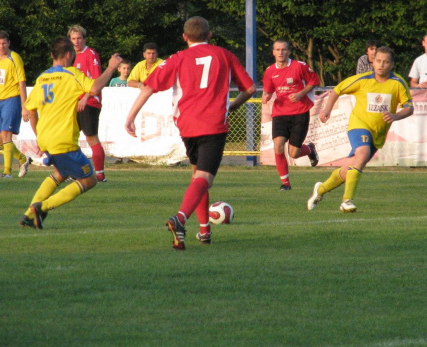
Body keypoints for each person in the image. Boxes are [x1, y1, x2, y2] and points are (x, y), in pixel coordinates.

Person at [124, 16, 255, 250]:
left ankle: (204, 231)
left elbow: (148, 87)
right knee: (205, 179)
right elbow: (250, 88)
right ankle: (181, 218)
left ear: (185, 37)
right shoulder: (224, 55)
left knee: (198, 177)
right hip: (213, 124)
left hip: (187, 125)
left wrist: (131, 116)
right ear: (210, 35)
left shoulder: (177, 58)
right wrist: (233, 104)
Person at [18, 37, 122, 229]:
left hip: (46, 138)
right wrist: (110, 68)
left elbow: (30, 110)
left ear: (51, 55)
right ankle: (41, 208)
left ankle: (28, 214)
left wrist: (40, 136)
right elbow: (94, 88)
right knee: (89, 180)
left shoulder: (42, 78)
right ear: (69, 55)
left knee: (60, 174)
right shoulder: (71, 74)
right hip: (63, 139)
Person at [307, 46, 414, 213]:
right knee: (362, 154)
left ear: (392, 64)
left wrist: (395, 116)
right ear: (373, 62)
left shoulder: (398, 83)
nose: (381, 65)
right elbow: (337, 90)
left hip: (377, 134)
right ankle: (346, 201)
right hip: (359, 125)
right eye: (378, 61)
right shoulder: (362, 79)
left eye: (385, 62)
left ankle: (320, 190)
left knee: (348, 170)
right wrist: (327, 109)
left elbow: (409, 108)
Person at [262, 39, 321, 191]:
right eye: (277, 50)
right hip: (280, 113)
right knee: (278, 144)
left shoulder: (299, 66)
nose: (280, 52)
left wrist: (301, 94)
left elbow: (314, 81)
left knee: (293, 153)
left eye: (283, 50)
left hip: (300, 112)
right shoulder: (269, 71)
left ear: (288, 52)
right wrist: (267, 96)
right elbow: (268, 90)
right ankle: (285, 183)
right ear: (273, 52)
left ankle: (309, 150)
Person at [0, 30, 31, 179]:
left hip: (12, 99)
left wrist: (24, 106)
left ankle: (7, 172)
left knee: (6, 134)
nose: (1, 46)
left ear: (9, 43)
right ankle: (23, 159)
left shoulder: (14, 58)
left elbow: (22, 83)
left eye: (4, 43)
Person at [68, 25, 108, 183]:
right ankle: (75, 171)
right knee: (70, 138)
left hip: (89, 102)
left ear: (84, 39)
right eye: (73, 39)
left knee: (91, 137)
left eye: (79, 38)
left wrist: (85, 97)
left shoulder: (90, 54)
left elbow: (96, 80)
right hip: (74, 103)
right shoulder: (71, 56)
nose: (76, 42)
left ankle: (100, 174)